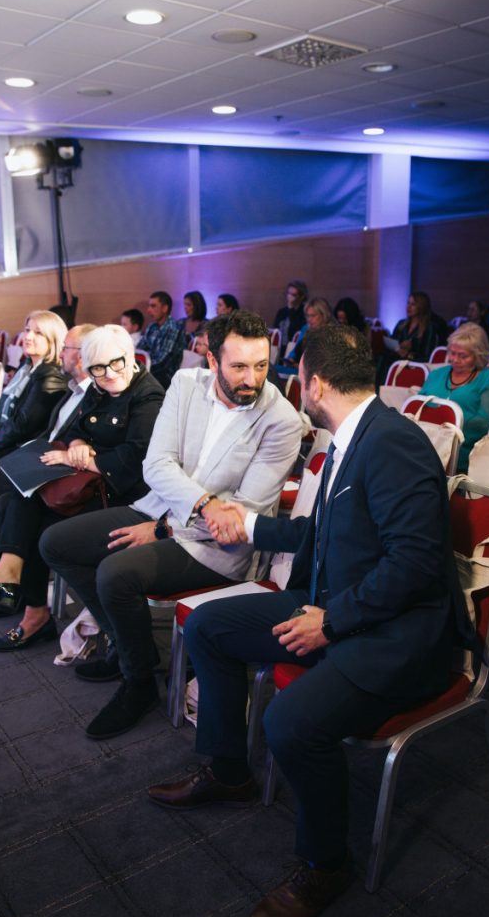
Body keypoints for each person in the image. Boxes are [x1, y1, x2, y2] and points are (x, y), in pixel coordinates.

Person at [147, 324, 473, 917]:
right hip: (339, 606)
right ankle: (229, 772)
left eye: (293, 376)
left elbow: (415, 565)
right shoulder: (354, 436)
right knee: (210, 626)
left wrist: (333, 622)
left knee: (289, 722)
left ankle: (326, 865)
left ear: (314, 384)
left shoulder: (392, 444)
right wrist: (249, 524)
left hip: (397, 636)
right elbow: (321, 533)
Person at [40, 311, 303, 740]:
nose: (251, 379)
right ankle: (130, 647)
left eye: (261, 366)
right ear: (212, 361)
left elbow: (241, 516)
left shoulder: (282, 421)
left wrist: (166, 529)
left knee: (115, 574)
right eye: (238, 366)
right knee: (56, 543)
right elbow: (156, 464)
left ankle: (138, 681)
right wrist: (182, 513)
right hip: (157, 508)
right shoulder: (185, 384)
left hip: (216, 548)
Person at [0, 325, 165, 651]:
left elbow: (133, 460)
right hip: (92, 485)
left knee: (35, 523)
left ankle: (27, 595)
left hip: (124, 495)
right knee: (16, 499)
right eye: (98, 369)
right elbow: (77, 427)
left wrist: (81, 458)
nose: (108, 374)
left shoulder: (148, 396)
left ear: (130, 356)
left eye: (116, 363)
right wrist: (77, 443)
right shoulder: (99, 387)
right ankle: (22, 593)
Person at [0, 324, 97, 597]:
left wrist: (4, 447)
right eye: (27, 330)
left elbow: (26, 425)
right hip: (38, 455)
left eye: (65, 348)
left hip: (56, 466)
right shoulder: (64, 385)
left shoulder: (62, 382)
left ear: (82, 356)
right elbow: (19, 418)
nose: (60, 353)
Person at [419, 323, 489, 470]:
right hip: (426, 442)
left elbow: (486, 423)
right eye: (452, 353)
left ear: (478, 355)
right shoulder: (436, 375)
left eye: (463, 356)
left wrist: (447, 429)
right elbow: (417, 407)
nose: (455, 359)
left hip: (464, 449)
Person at [138, 290, 185, 389]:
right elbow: (140, 350)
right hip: (149, 371)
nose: (148, 310)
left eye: (153, 306)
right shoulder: (151, 327)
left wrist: (140, 369)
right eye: (149, 306)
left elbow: (163, 362)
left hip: (166, 377)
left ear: (164, 308)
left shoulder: (173, 328)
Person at [283, 297, 333, 366]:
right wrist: (291, 359)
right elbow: (295, 351)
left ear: (324, 315)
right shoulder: (306, 328)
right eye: (307, 316)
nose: (309, 319)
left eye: (313, 315)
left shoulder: (332, 332)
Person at [273, 280, 308, 351]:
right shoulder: (282, 312)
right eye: (288, 293)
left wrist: (291, 309)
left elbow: (297, 331)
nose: (289, 296)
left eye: (293, 295)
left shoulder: (305, 312)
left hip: (296, 349)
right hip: (280, 349)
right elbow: (276, 330)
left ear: (301, 296)